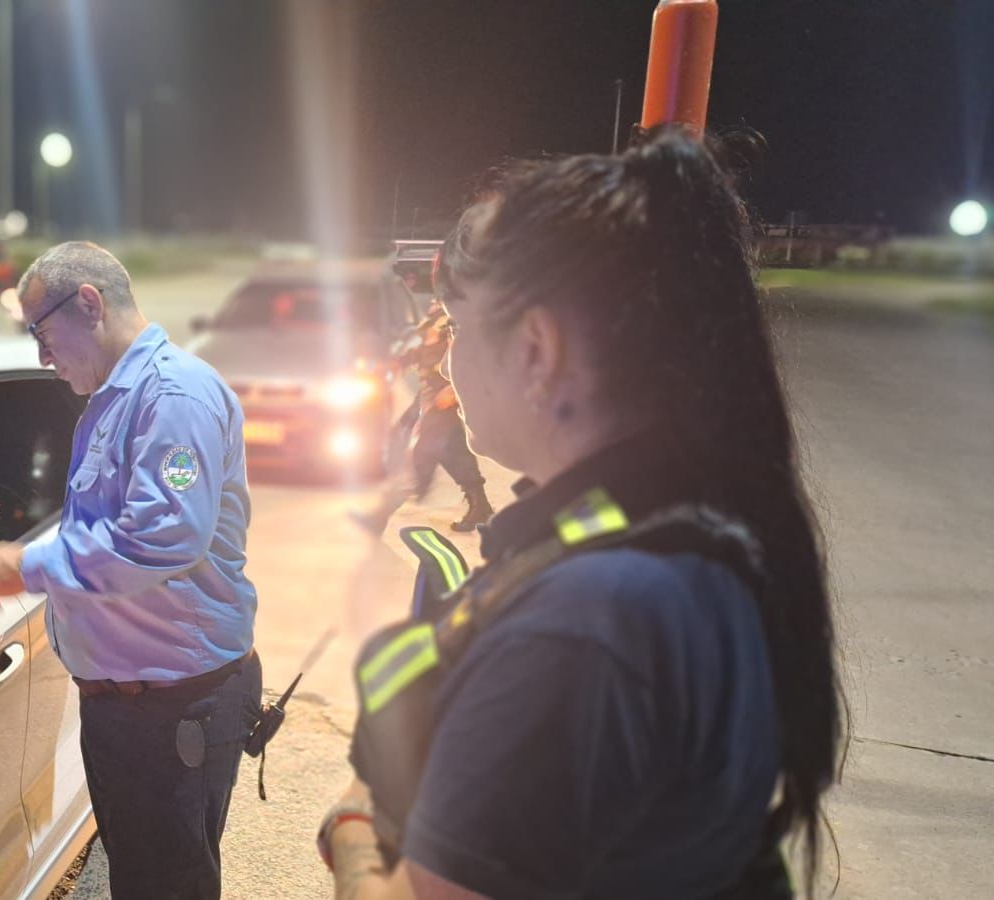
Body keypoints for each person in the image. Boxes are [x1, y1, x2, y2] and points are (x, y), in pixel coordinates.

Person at [318, 129, 842, 899]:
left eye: (457, 327)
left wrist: (354, 826)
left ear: (537, 349)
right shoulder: (685, 538)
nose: (449, 362)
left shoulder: (582, 621)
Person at [0, 241, 261, 899]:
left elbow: (165, 536)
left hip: (174, 707)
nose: (41, 356)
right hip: (134, 706)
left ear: (89, 304)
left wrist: (28, 566)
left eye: (41, 333)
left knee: (166, 886)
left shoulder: (172, 397)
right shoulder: (117, 395)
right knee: (143, 877)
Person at [352, 297, 494, 536]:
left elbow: (475, 356)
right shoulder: (437, 312)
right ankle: (480, 506)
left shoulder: (461, 313)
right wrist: (395, 364)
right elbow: (419, 346)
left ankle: (379, 516)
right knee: (452, 451)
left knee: (417, 456)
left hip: (444, 397)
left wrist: (453, 390)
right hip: (428, 396)